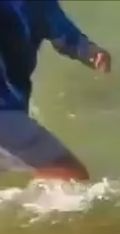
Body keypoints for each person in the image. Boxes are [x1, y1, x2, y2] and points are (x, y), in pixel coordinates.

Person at [0, 0, 111, 181]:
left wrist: (91, 52)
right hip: (6, 114)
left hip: (10, 115)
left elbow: (67, 37)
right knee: (72, 178)